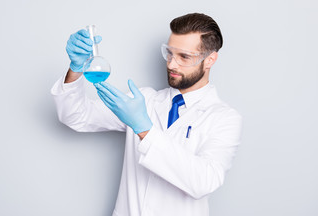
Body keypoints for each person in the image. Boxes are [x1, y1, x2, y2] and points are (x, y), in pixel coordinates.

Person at [51, 13, 242, 216]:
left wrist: (145, 130)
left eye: (184, 57)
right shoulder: (144, 100)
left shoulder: (224, 118)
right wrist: (75, 68)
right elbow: (76, 115)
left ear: (210, 59)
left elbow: (203, 182)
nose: (171, 64)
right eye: (169, 53)